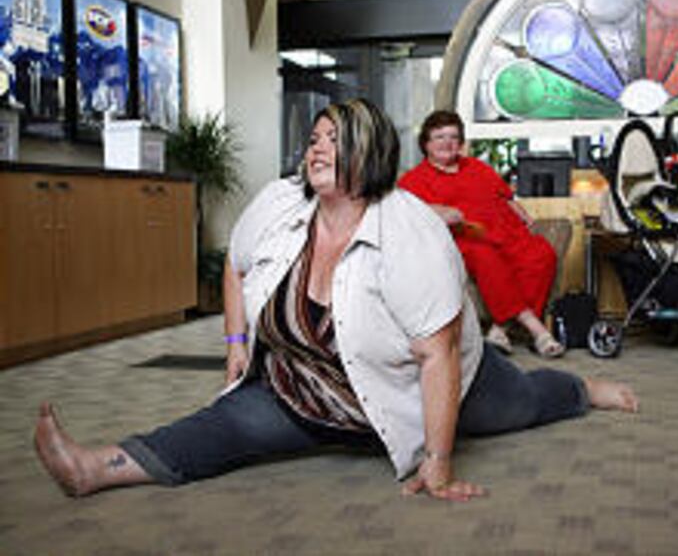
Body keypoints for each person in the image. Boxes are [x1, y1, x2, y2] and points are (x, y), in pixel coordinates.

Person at [34, 98, 638, 502]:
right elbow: (237, 267)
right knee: (218, 427)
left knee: (525, 400)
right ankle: (94, 468)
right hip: (307, 389)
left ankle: (586, 390)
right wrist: (238, 346)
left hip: (410, 393)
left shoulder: (411, 229)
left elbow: (439, 356)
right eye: (314, 137)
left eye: (334, 139)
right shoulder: (279, 203)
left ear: (369, 152)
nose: (316, 148)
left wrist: (438, 461)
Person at [398, 110, 565, 357]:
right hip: (464, 239)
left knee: (542, 254)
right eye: (439, 136)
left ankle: (500, 328)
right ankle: (537, 329)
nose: (447, 142)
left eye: (454, 136)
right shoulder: (414, 180)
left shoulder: (477, 167)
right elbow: (405, 213)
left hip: (505, 232)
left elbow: (503, 195)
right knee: (486, 258)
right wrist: (439, 211)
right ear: (426, 143)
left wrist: (519, 211)